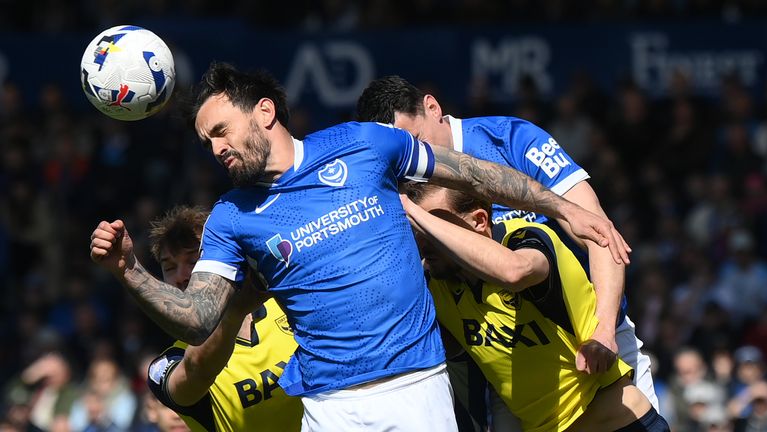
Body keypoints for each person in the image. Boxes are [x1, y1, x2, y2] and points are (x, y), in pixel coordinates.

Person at [89, 62, 628, 431]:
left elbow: (476, 174)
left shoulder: (364, 145)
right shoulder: (232, 216)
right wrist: (129, 270)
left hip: (420, 386)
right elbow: (198, 318)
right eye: (208, 141)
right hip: (331, 407)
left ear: (266, 112)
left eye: (223, 130)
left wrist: (564, 208)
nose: (217, 148)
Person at [356, 75, 658, 410]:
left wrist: (603, 331)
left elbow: (598, 234)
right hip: (507, 367)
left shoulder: (509, 140)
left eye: (415, 141)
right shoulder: (397, 181)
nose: (412, 159)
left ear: (433, 107)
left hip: (592, 340)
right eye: (399, 153)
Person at [402, 182, 668, 431]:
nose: (424, 237)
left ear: (480, 221)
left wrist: (414, 211)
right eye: (418, 229)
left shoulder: (525, 239)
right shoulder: (436, 281)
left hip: (621, 425)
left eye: (436, 225)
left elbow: (515, 271)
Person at [143, 206, 303, 431]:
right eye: (169, 267)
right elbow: (197, 372)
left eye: (193, 260)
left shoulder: (287, 305)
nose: (180, 277)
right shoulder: (171, 363)